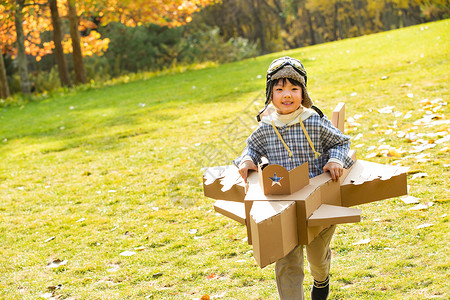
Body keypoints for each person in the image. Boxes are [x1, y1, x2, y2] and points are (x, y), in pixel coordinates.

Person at [234, 56, 354, 300]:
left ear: (303, 93)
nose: (286, 94)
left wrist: (335, 160)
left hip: (317, 201)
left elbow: (342, 143)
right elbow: (251, 149)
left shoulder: (314, 121)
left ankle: (321, 281)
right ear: (270, 94)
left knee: (316, 256)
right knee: (287, 260)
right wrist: (247, 160)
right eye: (279, 89)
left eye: (293, 88)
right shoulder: (266, 127)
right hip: (282, 203)